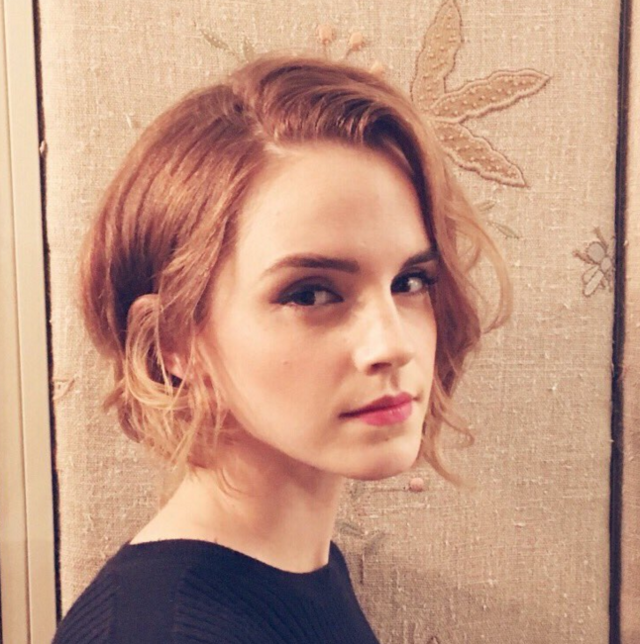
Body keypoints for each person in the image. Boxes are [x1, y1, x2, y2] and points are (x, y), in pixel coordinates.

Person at [52, 50, 512, 643]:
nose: (393, 344)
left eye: (410, 282)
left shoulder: (299, 567)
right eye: (311, 294)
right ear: (174, 340)